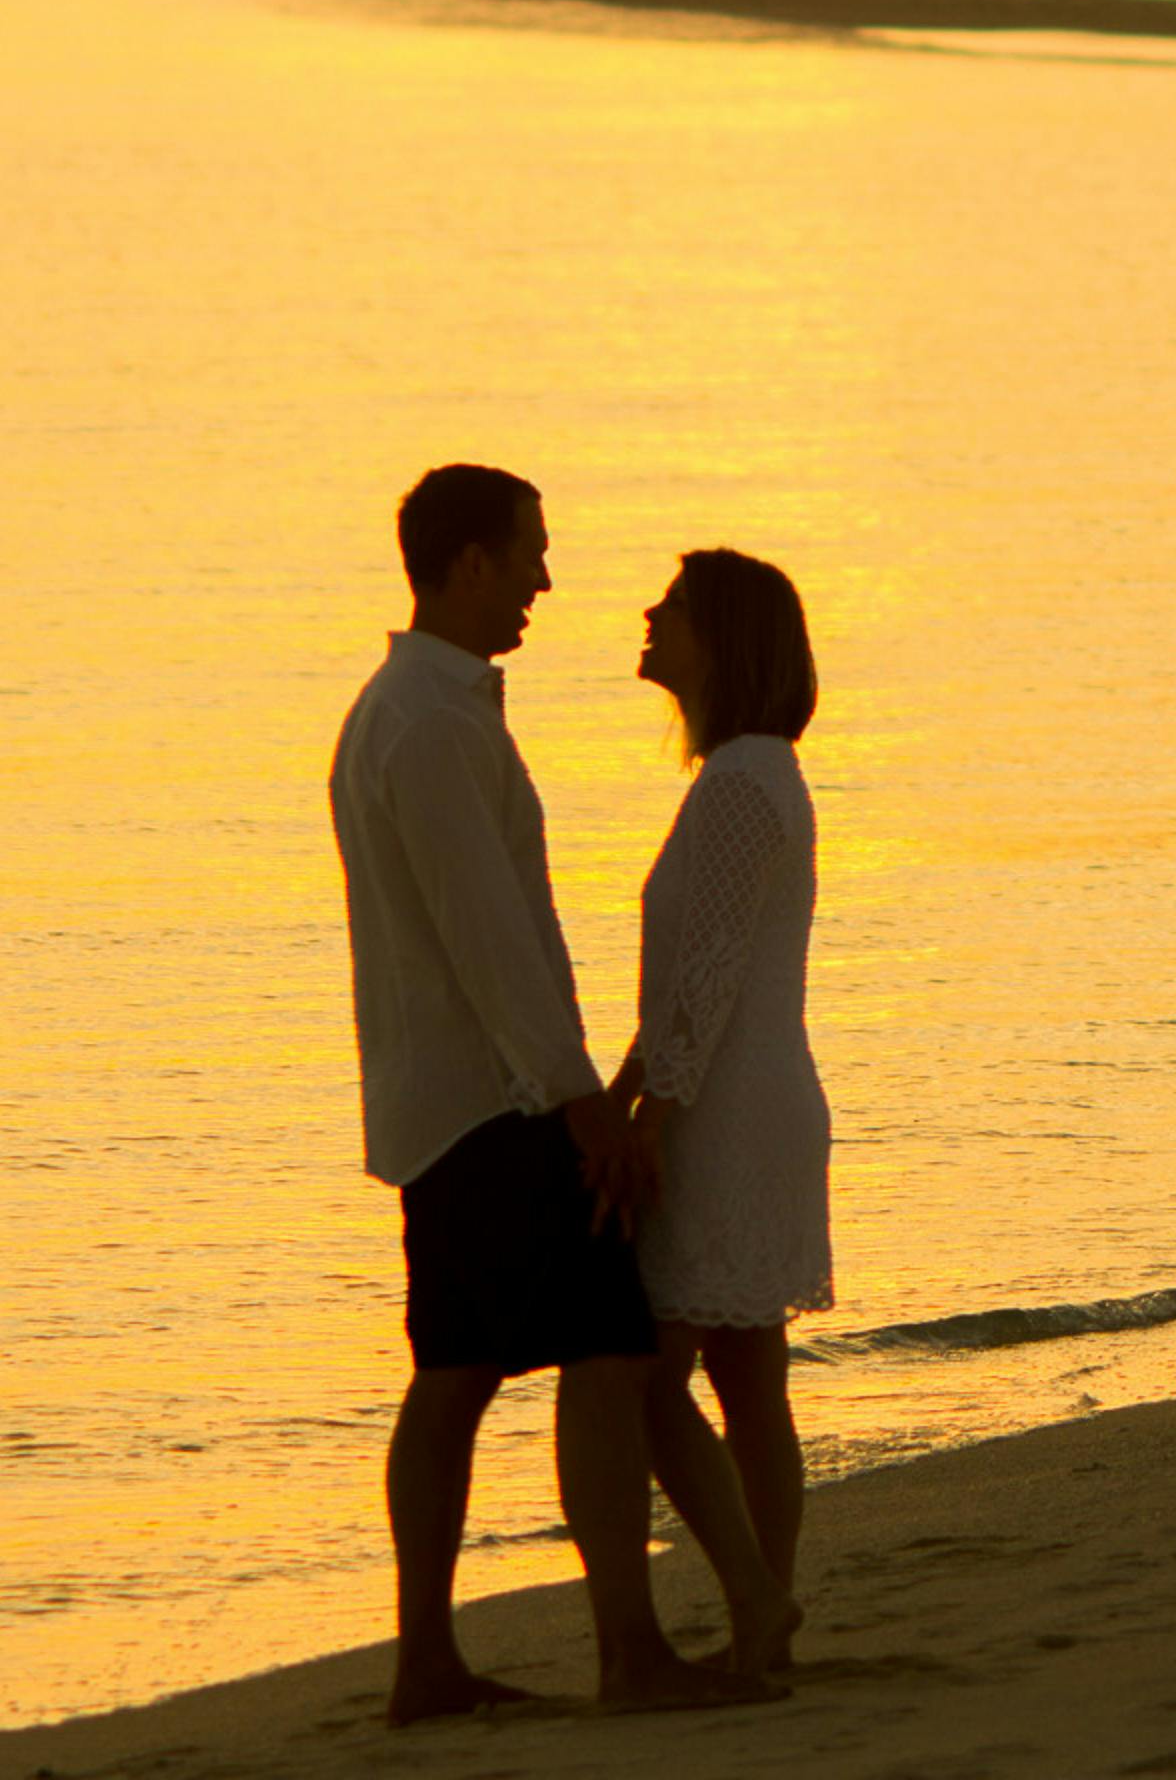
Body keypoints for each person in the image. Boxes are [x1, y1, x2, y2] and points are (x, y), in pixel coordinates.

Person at [326, 465, 780, 1721]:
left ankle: (429, 1662)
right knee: (603, 1348)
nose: (544, 578)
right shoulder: (427, 723)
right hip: (495, 1104)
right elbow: (489, 940)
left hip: (446, 1098)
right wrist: (585, 1106)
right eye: (529, 552)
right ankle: (623, 1650)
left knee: (459, 1369)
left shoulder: (416, 709)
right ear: (466, 561)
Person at [617, 548, 834, 1680]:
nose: (649, 617)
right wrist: (622, 1090)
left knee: (652, 1388)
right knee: (749, 1386)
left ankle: (758, 1603)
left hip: (726, 1115)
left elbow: (701, 977)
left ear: (724, 639)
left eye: (676, 608)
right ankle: (766, 1618)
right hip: (749, 1097)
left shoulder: (746, 781)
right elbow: (702, 979)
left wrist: (650, 1116)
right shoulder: (754, 775)